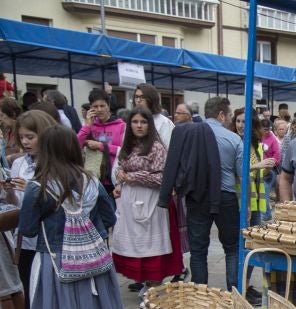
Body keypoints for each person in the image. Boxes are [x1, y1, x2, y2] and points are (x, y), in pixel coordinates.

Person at [9, 125, 129, 309]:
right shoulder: (92, 182)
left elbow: (28, 228)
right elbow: (109, 217)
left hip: (54, 260)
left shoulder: (38, 187)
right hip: (92, 260)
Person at [160, 96, 241, 292]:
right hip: (226, 196)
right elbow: (241, 175)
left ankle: (200, 295)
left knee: (198, 250)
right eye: (229, 114)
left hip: (197, 196)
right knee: (232, 248)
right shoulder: (233, 138)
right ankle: (234, 293)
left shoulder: (189, 134)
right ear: (221, 115)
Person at [110, 106, 181, 293]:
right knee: (135, 246)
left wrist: (132, 177)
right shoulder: (127, 146)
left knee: (152, 248)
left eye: (143, 122)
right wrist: (120, 179)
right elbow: (121, 167)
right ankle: (146, 287)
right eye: (135, 122)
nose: (139, 126)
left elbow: (162, 178)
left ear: (150, 124)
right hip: (130, 202)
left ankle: (153, 287)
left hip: (151, 201)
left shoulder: (157, 147)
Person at [4, 110, 57, 309]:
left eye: (30, 137)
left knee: (51, 295)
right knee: (30, 293)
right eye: (22, 137)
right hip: (25, 240)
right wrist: (9, 191)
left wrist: (32, 190)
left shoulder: (56, 163)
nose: (25, 142)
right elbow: (16, 203)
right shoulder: (19, 163)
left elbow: (60, 201)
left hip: (50, 240)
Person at [232, 108, 276, 227]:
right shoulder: (233, 142)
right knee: (242, 235)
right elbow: (234, 170)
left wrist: (267, 168)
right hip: (240, 199)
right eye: (238, 121)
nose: (240, 125)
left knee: (253, 235)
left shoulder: (256, 144)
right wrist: (257, 165)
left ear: (253, 124)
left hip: (255, 199)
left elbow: (258, 174)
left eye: (244, 122)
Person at [77, 89, 126, 194]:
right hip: (93, 178)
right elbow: (76, 146)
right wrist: (87, 126)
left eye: (102, 106)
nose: (99, 109)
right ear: (90, 108)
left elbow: (125, 152)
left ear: (108, 106)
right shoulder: (88, 125)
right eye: (95, 106)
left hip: (115, 179)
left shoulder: (121, 126)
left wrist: (100, 146)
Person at [132, 84, 174, 148]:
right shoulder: (132, 120)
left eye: (142, 97)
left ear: (151, 99)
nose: (138, 100)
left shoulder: (164, 122)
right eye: (136, 97)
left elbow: (169, 147)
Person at [0, 97, 23, 165]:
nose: (0, 119)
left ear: (13, 114)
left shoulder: (22, 130)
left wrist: (10, 157)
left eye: (1, 115)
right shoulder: (6, 130)